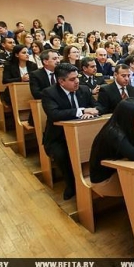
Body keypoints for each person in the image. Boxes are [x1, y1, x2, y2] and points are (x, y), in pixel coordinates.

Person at [42, 63, 99, 200]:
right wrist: (81, 111)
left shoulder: (84, 89)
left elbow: (97, 106)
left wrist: (94, 112)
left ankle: (96, 179)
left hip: (83, 134)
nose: (77, 81)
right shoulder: (49, 93)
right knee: (63, 155)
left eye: (77, 77)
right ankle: (71, 184)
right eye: (72, 79)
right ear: (61, 81)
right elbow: (54, 114)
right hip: (59, 138)